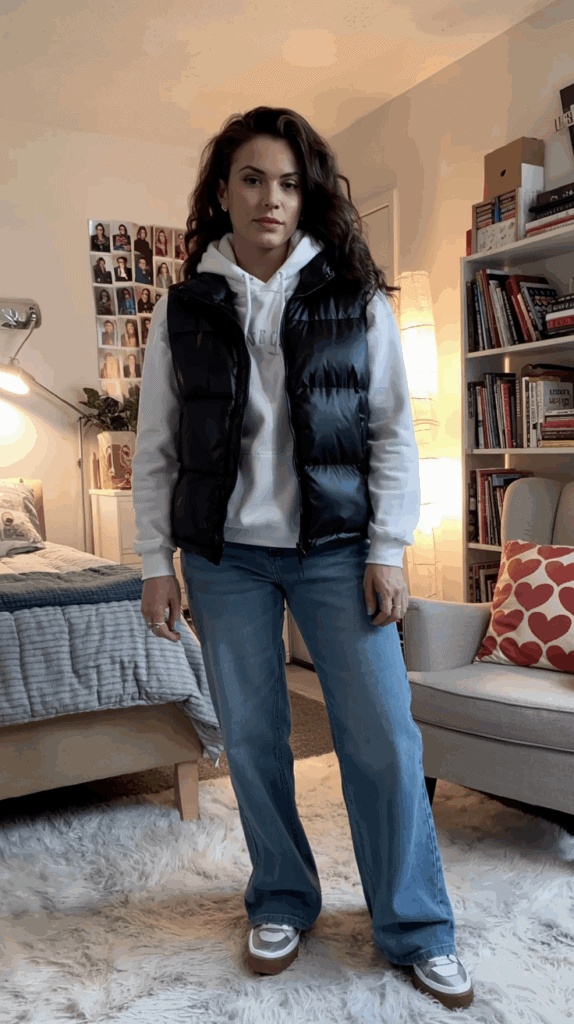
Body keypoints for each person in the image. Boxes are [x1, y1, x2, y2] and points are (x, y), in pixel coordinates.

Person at [131, 106, 474, 1012]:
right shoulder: (184, 307)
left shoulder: (356, 296)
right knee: (250, 740)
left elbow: (394, 434)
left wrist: (389, 548)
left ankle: (417, 924)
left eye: (287, 181)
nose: (270, 197)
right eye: (251, 178)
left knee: (384, 737)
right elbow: (156, 447)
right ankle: (282, 896)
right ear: (222, 192)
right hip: (223, 560)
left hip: (337, 552)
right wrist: (152, 563)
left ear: (307, 191)